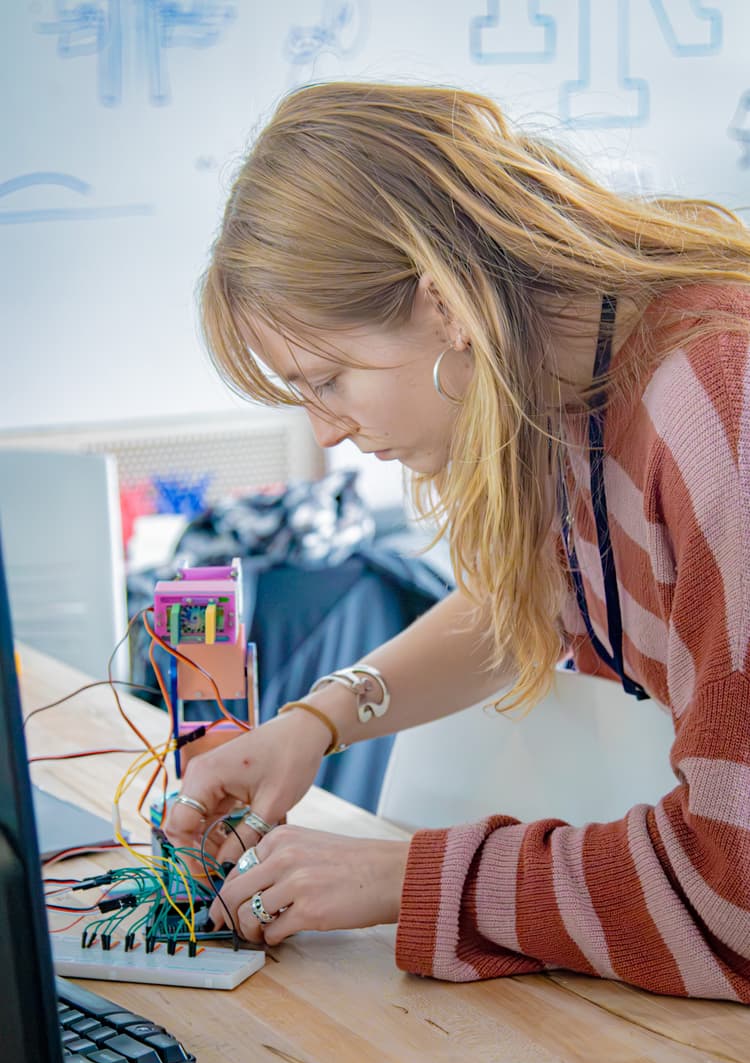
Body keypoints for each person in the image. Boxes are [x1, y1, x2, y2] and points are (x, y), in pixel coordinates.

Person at [165, 81, 750, 1002]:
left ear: (443, 305)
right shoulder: (575, 398)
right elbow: (531, 599)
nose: (325, 431)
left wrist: (403, 877)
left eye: (327, 378)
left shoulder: (719, 413)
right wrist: (315, 721)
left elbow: (739, 894)